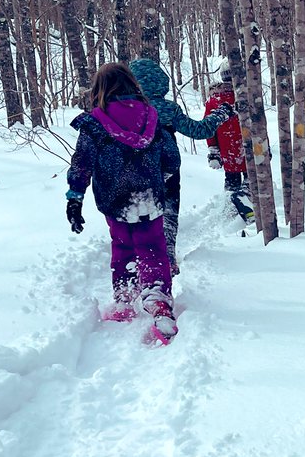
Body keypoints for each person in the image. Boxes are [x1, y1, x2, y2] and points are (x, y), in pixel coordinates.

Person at [65, 62, 180, 345]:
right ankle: (158, 303)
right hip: (149, 198)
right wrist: (158, 179)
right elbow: (172, 160)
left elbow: (82, 164)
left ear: (100, 89)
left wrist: (75, 198)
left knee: (122, 246)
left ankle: (125, 300)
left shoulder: (94, 123)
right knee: (153, 248)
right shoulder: (152, 117)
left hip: (114, 200)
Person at [129, 57, 234, 273]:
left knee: (140, 214)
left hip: (135, 172)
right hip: (167, 169)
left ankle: (139, 260)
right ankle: (166, 257)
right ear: (161, 82)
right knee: (168, 212)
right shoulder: (168, 109)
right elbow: (199, 130)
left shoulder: (126, 110)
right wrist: (220, 114)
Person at [205, 67, 256, 230]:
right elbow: (259, 124)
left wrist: (213, 150)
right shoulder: (247, 95)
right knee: (252, 182)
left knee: (231, 184)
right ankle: (246, 210)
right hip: (249, 149)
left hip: (228, 151)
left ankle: (231, 213)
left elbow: (208, 127)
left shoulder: (214, 100)